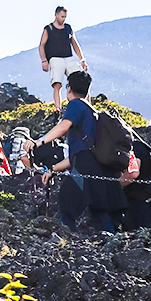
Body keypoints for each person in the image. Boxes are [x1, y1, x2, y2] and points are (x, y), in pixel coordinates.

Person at [40, 70, 126, 231]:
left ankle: (67, 239)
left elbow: (63, 127)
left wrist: (39, 142)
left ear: (69, 88)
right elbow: (77, 153)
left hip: (85, 166)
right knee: (98, 208)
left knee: (67, 200)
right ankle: (109, 241)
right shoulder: (91, 111)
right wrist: (53, 170)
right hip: (97, 166)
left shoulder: (76, 105)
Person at [38, 7, 88, 111]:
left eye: (65, 17)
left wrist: (82, 59)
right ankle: (58, 109)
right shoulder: (49, 29)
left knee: (81, 79)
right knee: (57, 84)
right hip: (55, 59)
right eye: (62, 16)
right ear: (56, 15)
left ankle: (87, 106)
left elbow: (74, 44)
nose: (63, 19)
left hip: (69, 58)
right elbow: (42, 45)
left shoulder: (68, 28)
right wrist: (44, 60)